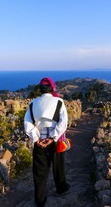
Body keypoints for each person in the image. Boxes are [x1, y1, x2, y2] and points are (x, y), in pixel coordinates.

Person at [24, 77, 70, 206]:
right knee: (58, 167)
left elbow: (27, 123)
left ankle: (40, 199)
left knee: (39, 172)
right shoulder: (59, 102)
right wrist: (53, 137)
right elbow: (63, 122)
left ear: (40, 90)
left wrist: (36, 139)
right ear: (52, 88)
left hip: (40, 142)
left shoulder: (33, 103)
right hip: (55, 141)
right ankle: (61, 188)